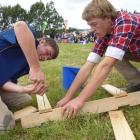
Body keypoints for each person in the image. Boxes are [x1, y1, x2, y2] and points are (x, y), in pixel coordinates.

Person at [57, 0, 140, 118]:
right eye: (89, 25)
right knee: (111, 52)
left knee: (111, 57)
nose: (92, 29)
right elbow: (88, 66)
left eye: (94, 24)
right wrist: (68, 97)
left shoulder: (125, 21)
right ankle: (138, 83)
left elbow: (106, 66)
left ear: (108, 18)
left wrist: (80, 100)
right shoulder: (104, 33)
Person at [0, 21, 59, 133]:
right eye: (47, 53)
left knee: (25, 100)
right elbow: (20, 26)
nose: (45, 58)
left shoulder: (27, 65)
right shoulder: (29, 37)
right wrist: (35, 67)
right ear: (42, 41)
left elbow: (3, 81)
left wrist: (25, 89)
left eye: (48, 59)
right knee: (6, 125)